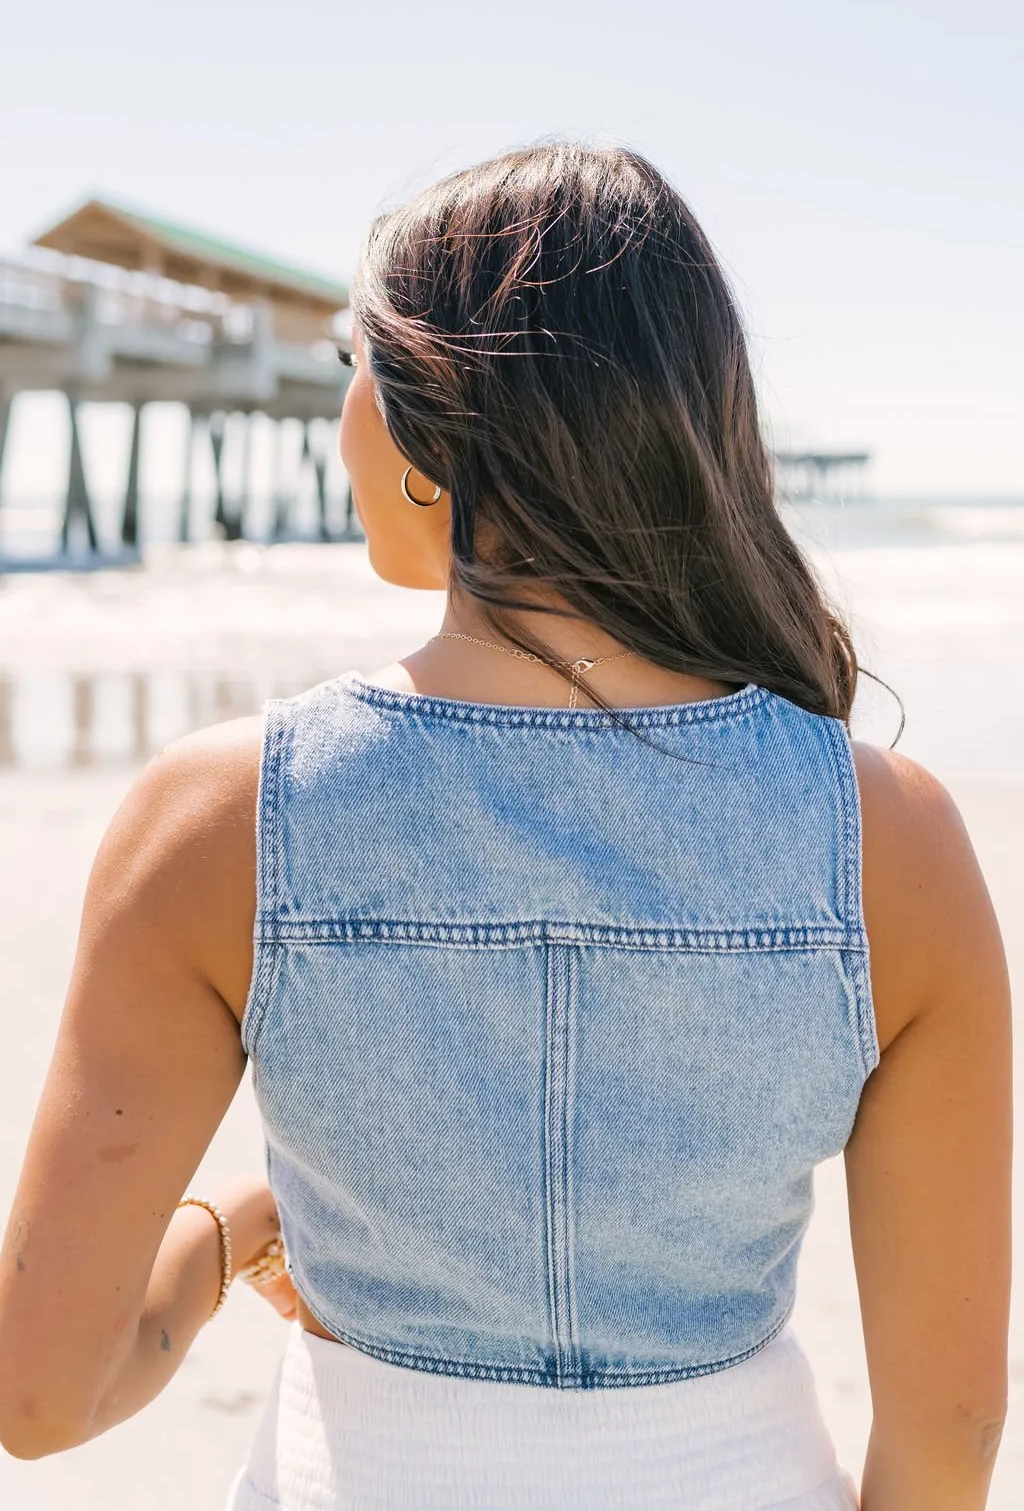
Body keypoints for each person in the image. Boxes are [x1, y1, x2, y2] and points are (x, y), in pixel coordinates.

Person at [0, 142, 1011, 1511]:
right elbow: (946, 1439)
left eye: (355, 358)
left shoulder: (222, 819)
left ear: (432, 425)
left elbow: (40, 1393)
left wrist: (240, 1226)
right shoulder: (891, 840)